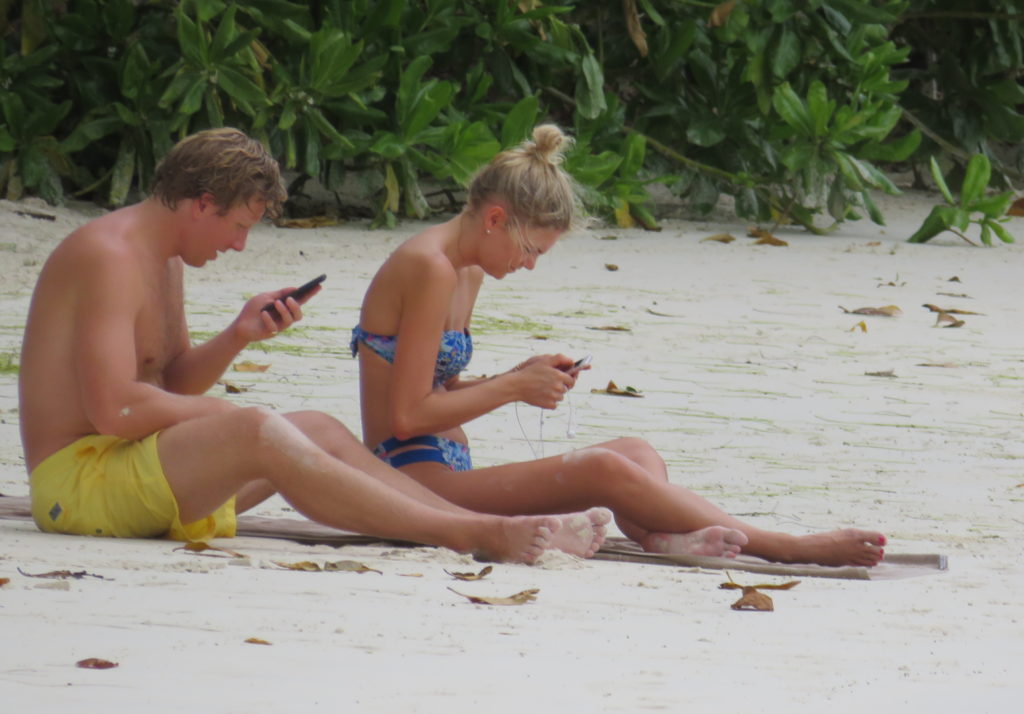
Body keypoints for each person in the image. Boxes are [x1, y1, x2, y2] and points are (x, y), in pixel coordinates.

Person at [18, 127, 610, 565]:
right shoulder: (108, 255)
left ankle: (478, 523)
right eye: (240, 226)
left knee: (319, 429)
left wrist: (236, 336)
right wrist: (236, 417)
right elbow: (116, 410)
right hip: (78, 487)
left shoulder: (163, 257)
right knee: (260, 428)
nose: (241, 246)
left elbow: (168, 385)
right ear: (202, 204)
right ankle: (468, 535)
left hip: (133, 470)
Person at [351, 124, 887, 567]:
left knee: (633, 452)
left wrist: (518, 374)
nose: (530, 264)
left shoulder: (466, 269)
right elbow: (407, 416)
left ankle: (658, 537)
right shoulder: (431, 267)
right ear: (495, 220)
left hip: (447, 468)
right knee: (602, 469)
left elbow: (431, 385)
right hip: (409, 481)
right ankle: (785, 547)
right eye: (530, 249)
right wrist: (514, 387)